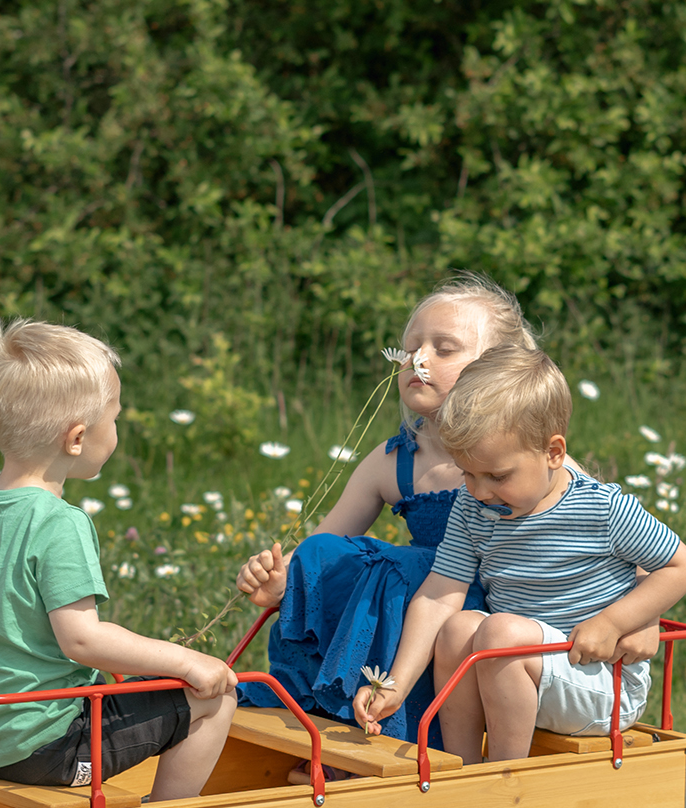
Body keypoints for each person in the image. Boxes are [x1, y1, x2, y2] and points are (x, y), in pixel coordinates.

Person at [230, 273, 537, 751]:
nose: (418, 359)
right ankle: (314, 709)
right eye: (412, 347)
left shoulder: (523, 455)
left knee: (408, 567)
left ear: (499, 370)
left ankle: (396, 731)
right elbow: (326, 548)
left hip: (481, 621)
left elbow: (606, 528)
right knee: (321, 550)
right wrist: (282, 579)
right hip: (416, 610)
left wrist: (635, 618)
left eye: (444, 348)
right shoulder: (397, 459)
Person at [353, 345, 686, 762]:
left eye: (497, 475)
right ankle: (458, 770)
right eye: (468, 473)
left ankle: (504, 780)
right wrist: (397, 683)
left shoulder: (602, 509)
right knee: (458, 627)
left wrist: (613, 622)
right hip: (518, 670)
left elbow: (682, 565)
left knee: (500, 633)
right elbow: (439, 593)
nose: (480, 491)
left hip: (598, 681)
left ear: (553, 453)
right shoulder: (473, 506)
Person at [0, 318, 236, 799]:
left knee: (143, 687)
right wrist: (188, 661)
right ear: (76, 438)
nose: (116, 428)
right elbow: (82, 639)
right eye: (114, 418)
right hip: (48, 745)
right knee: (217, 696)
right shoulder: (58, 522)